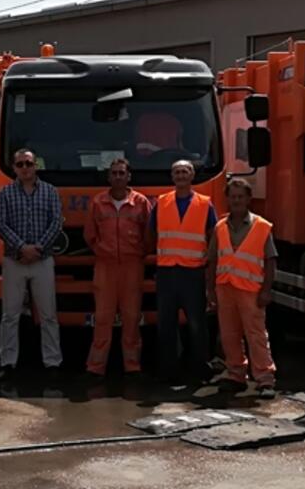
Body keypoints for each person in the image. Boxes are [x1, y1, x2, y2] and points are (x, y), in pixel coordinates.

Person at [145, 159, 218, 383]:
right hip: (167, 272)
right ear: (172, 176)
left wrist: (209, 262)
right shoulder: (162, 202)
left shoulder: (205, 204)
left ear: (192, 175)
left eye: (185, 171)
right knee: (166, 324)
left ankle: (199, 369)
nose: (181, 175)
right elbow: (151, 232)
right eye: (177, 172)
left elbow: (213, 234)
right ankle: (168, 370)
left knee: (197, 324)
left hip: (193, 272)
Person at [0, 148, 63, 381]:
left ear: (36, 166)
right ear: (14, 168)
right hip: (14, 261)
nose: (25, 168)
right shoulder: (3, 194)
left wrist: (38, 249)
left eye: (29, 164)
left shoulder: (50, 192)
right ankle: (8, 362)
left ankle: (52, 362)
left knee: (48, 315)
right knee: (10, 316)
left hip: (42, 261)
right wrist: (23, 247)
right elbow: (0, 224)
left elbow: (56, 223)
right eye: (20, 164)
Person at [208, 178, 278, 399]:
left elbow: (270, 261)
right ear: (227, 199)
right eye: (232, 196)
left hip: (251, 290)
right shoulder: (220, 227)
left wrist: (267, 290)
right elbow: (211, 261)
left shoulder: (261, 226)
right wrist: (210, 290)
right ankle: (236, 375)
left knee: (256, 335)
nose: (236, 200)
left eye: (240, 196)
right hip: (225, 288)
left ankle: (265, 379)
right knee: (229, 335)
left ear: (248, 199)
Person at [84, 158, 151, 378]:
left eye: (122, 173)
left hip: (133, 266)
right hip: (105, 267)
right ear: (109, 177)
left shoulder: (141, 202)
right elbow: (90, 235)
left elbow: (149, 234)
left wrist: (140, 252)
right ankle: (95, 367)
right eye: (114, 173)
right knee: (102, 318)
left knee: (131, 318)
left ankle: (132, 366)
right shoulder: (98, 202)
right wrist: (102, 251)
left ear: (129, 176)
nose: (118, 177)